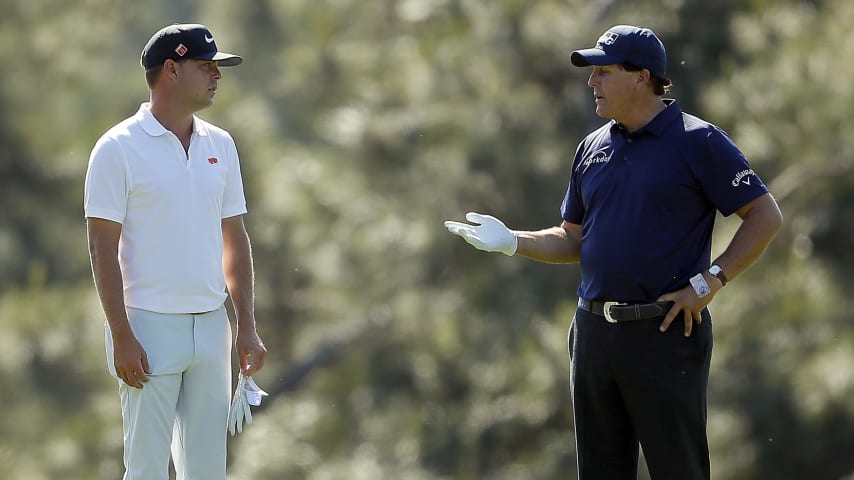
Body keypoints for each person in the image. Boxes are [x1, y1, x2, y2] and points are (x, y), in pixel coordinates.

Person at [444, 25, 782, 480]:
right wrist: (513, 240)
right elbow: (574, 240)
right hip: (593, 335)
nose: (592, 83)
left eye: (603, 71)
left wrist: (709, 282)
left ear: (642, 77)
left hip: (663, 332)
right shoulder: (592, 147)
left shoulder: (698, 142)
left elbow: (765, 216)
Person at [85, 23, 267, 479]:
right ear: (170, 69)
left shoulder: (220, 145)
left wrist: (246, 324)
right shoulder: (117, 148)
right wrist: (122, 336)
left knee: (206, 471)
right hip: (146, 328)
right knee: (146, 470)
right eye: (206, 66)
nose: (216, 76)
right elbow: (101, 248)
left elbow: (234, 238)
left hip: (211, 327)